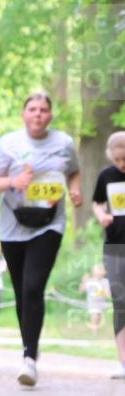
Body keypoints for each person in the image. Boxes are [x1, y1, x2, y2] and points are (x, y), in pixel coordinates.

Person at [0, 92, 82, 387]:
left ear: (50, 116)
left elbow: (74, 172)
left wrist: (74, 190)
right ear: (23, 115)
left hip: (49, 224)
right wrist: (14, 182)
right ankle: (30, 346)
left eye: (43, 110)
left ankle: (29, 359)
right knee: (21, 291)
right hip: (14, 225)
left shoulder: (63, 143)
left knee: (33, 286)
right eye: (32, 109)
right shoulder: (8, 144)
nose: (38, 114)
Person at [91, 130, 125, 378]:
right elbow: (97, 203)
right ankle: (123, 361)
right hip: (115, 246)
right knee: (120, 304)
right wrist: (101, 215)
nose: (122, 165)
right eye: (117, 160)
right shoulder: (106, 176)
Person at [79, 264, 111, 334]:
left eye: (101, 271)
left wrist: (102, 293)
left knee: (98, 317)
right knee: (94, 315)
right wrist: (83, 281)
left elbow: (108, 294)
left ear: (104, 272)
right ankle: (94, 332)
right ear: (93, 272)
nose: (99, 274)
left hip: (101, 302)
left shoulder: (105, 281)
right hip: (92, 301)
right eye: (97, 271)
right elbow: (81, 290)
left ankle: (95, 329)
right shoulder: (90, 280)